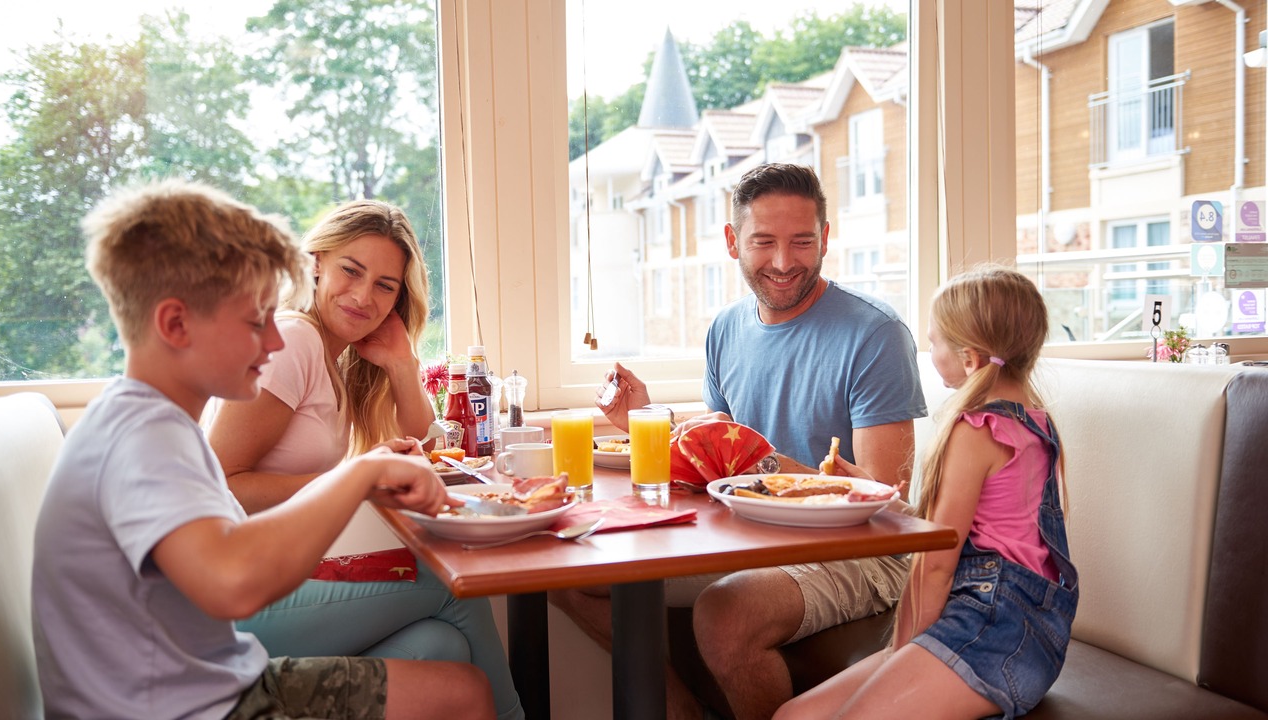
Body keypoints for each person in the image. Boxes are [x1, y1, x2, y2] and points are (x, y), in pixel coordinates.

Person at [31, 178, 494, 719]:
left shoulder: (156, 421)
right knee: (462, 691)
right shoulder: (140, 436)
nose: (275, 341)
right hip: (174, 706)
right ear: (176, 324)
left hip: (206, 677)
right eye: (256, 321)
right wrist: (359, 475)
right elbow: (232, 586)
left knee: (446, 662)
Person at [551, 163, 926, 720]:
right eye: (763, 242)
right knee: (572, 573)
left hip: (863, 552)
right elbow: (716, 461)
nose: (783, 262)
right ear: (732, 242)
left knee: (723, 613)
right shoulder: (726, 329)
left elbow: (884, 497)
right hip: (752, 535)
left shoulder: (875, 334)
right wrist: (644, 423)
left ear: (826, 237)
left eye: (802, 241)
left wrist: (762, 462)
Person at [205, 199, 523, 719]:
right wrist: (354, 478)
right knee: (449, 584)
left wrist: (401, 363)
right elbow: (223, 480)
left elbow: (425, 438)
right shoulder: (293, 341)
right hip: (228, 600)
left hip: (273, 575)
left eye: (385, 286)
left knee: (443, 646)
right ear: (315, 263)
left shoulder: (335, 359)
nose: (363, 296)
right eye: (351, 271)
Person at [775, 265, 1078, 720]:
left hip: (996, 630)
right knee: (793, 716)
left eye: (934, 341)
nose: (928, 349)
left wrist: (900, 653)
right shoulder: (1036, 421)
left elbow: (936, 563)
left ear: (971, 358)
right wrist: (878, 496)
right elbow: (975, 528)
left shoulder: (975, 430)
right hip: (1025, 628)